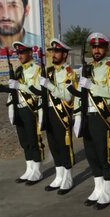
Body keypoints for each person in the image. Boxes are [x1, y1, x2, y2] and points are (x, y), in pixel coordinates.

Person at [75, 32, 110, 210]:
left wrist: (91, 85)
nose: (96, 50)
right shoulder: (85, 69)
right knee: (91, 154)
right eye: (94, 47)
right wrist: (77, 114)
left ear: (106, 49)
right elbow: (80, 94)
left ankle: (107, 192)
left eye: (100, 47)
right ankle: (98, 189)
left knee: (103, 155)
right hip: (86, 116)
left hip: (101, 117)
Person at [39, 38, 77, 194]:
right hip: (48, 112)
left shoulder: (70, 73)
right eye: (52, 51)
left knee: (64, 146)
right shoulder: (47, 71)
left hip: (61, 114)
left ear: (65, 54)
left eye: (57, 52)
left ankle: (67, 178)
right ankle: (59, 176)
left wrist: (49, 85)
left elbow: (68, 96)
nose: (53, 54)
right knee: (53, 145)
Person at [8, 41, 45, 185]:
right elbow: (13, 91)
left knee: (33, 139)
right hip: (19, 107)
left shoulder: (37, 69)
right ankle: (29, 169)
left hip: (31, 109)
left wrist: (20, 85)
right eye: (18, 53)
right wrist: (10, 106)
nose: (20, 56)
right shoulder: (17, 70)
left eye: (22, 52)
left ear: (30, 53)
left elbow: (38, 90)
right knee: (24, 140)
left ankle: (37, 170)